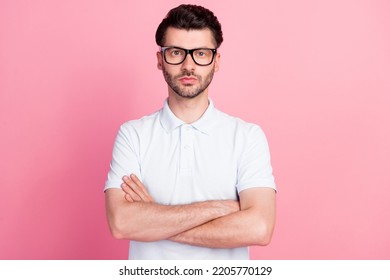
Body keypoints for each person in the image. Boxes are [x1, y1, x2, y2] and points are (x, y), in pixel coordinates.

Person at [104, 4, 276, 260]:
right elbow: (122, 223)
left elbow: (259, 227)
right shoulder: (133, 135)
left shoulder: (247, 137)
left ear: (215, 61)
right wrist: (219, 208)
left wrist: (153, 218)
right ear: (160, 60)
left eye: (201, 53)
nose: (188, 65)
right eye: (176, 52)